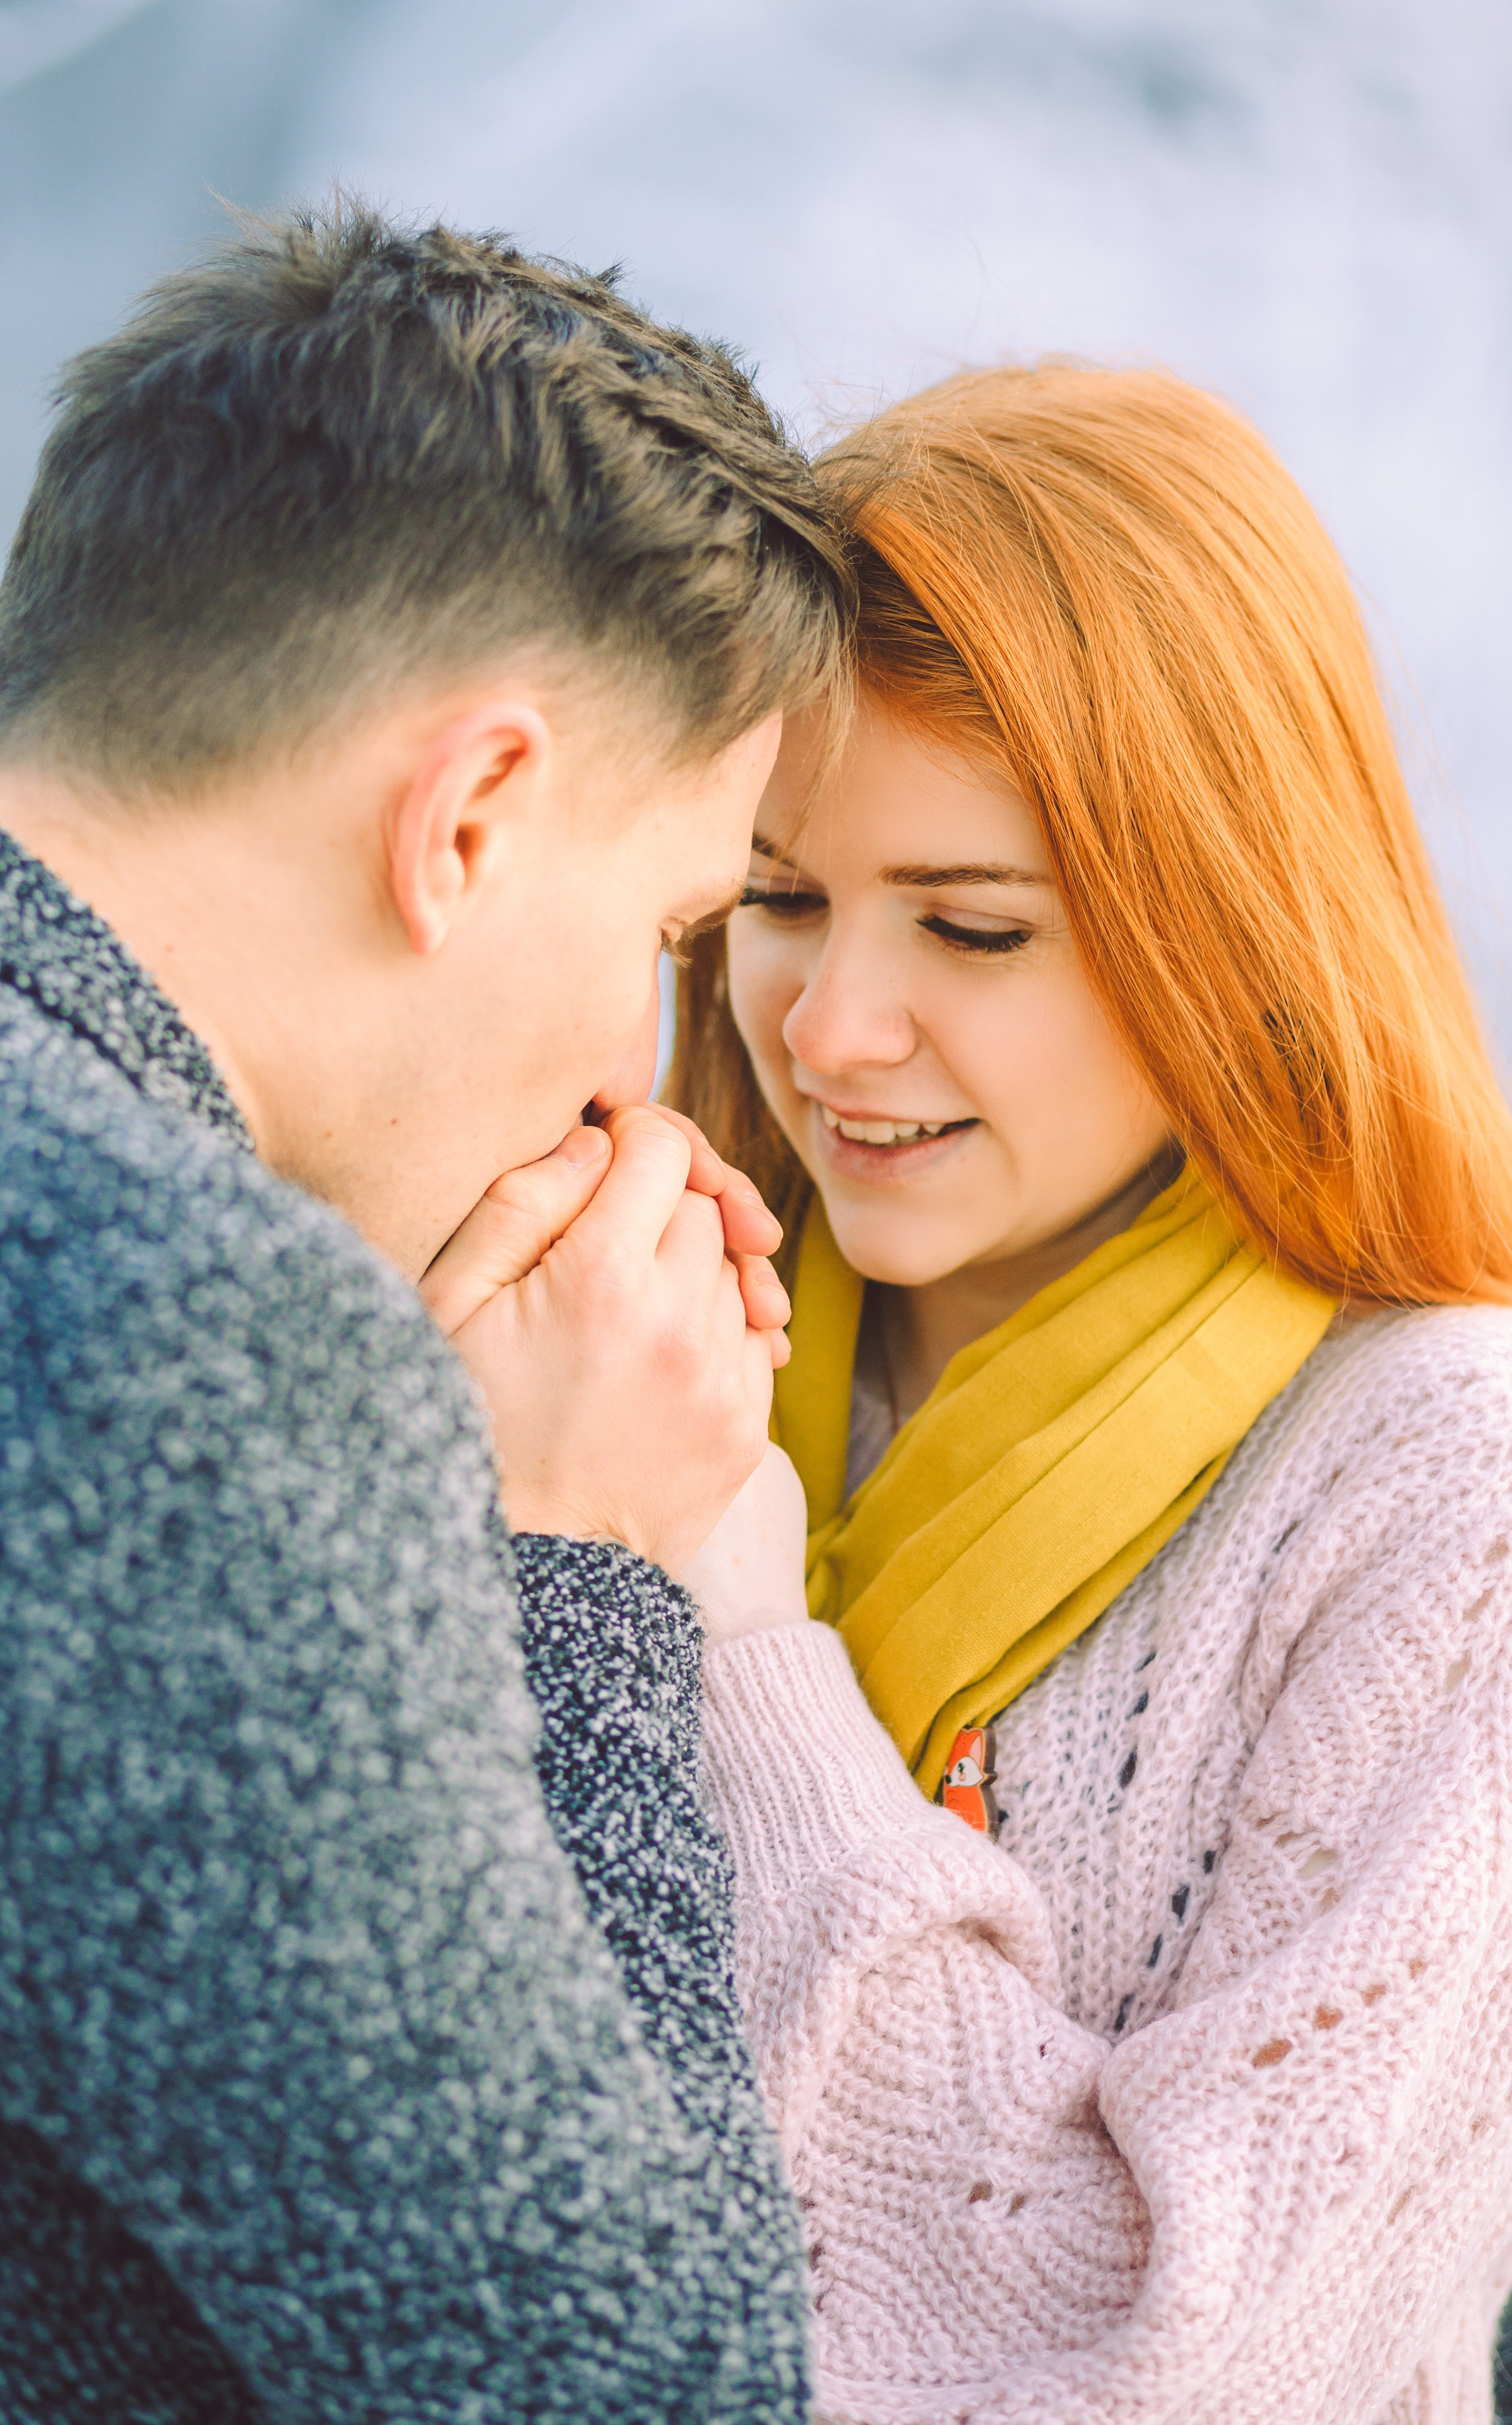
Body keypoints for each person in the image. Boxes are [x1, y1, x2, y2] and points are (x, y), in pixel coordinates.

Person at [668, 362, 1512, 2423]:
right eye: (780, 894)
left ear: (1226, 926)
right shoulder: (630, 1324)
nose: (834, 1025)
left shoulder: (1480, 1486)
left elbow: (1191, 2357)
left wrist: (743, 1653)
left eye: (973, 926)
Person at [0, 198, 852, 2421]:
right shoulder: (193, 1344)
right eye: (677, 930)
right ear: (470, 815)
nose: (646, 1076)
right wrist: (574, 1561)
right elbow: (638, 2396)